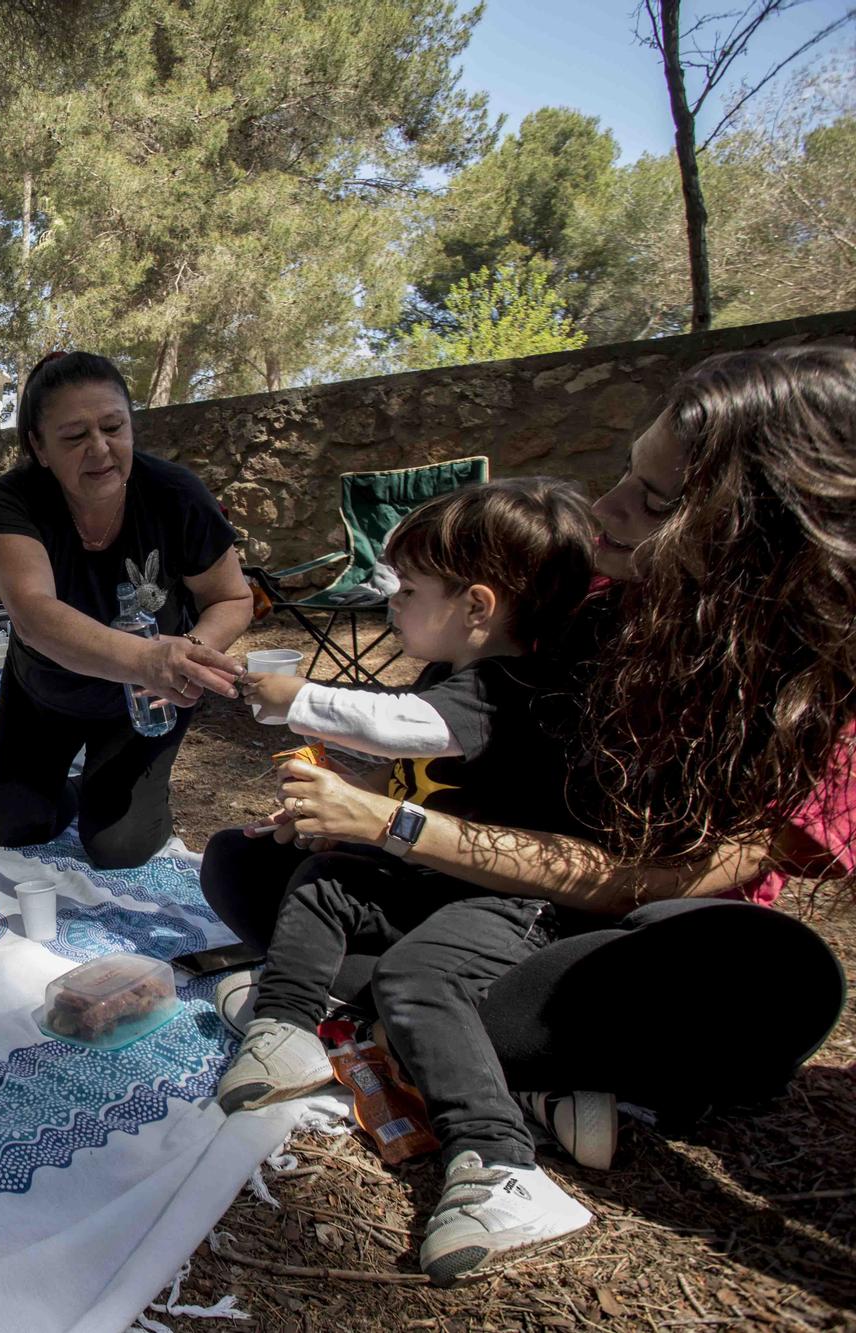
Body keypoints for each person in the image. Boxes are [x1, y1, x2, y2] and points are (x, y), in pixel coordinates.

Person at [202, 345, 852, 1277]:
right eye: (626, 473)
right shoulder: (585, 597)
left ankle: (383, 1019)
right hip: (474, 908)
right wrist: (369, 820)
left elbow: (639, 884)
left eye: (658, 499)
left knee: (766, 969)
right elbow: (456, 749)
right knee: (248, 865)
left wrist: (393, 828)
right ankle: (447, 1043)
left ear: (768, 540)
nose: (610, 510)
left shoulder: (825, 699)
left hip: (605, 937)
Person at [212, 478, 601, 1279]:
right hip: (430, 877)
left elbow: (399, 729)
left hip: (506, 900)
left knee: (418, 979)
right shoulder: (451, 676)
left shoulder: (504, 686)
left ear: (478, 605)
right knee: (323, 878)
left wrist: (299, 700)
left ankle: (503, 1161)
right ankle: (286, 1028)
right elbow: (412, 768)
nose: (391, 601)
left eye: (410, 589)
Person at [0, 350, 253, 868]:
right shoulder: (12, 501)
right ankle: (77, 788)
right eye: (75, 437)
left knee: (118, 846)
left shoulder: (176, 495)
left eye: (113, 427)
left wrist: (189, 653)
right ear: (38, 446)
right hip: (46, 691)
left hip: (146, 702)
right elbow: (34, 616)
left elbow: (232, 599)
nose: (100, 449)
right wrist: (147, 658)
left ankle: (113, 793)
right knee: (9, 828)